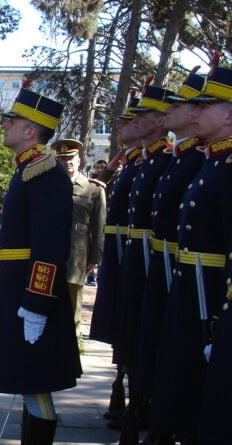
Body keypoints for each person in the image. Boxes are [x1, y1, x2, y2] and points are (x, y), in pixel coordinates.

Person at [0, 81, 80, 444]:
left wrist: (38, 302)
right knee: (27, 380)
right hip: (16, 287)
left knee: (34, 382)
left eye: (11, 120)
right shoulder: (28, 169)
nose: (4, 124)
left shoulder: (44, 172)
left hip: (28, 291)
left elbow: (51, 245)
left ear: (30, 131)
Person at [152, 63, 232, 444]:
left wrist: (217, 317)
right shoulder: (214, 161)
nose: (195, 112)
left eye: (206, 105)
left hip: (211, 296)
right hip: (192, 289)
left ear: (229, 115)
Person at [133, 68, 205, 444]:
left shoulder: (200, 159)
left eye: (176, 106)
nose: (167, 113)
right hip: (171, 270)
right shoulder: (182, 158)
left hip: (199, 282)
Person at [112, 82, 175, 440]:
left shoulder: (165, 160)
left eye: (141, 116)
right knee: (131, 334)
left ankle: (143, 406)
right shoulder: (144, 160)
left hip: (158, 264)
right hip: (137, 259)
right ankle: (132, 401)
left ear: (159, 121)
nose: (131, 123)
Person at [88, 92, 144, 422]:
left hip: (137, 260)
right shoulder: (129, 162)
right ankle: (126, 390)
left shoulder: (148, 162)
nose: (120, 126)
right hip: (122, 258)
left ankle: (138, 400)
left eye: (129, 121)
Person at [52, 139, 106, 339]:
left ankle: (73, 343)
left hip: (77, 254)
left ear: (79, 160)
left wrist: (94, 258)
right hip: (51, 251)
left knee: (73, 300)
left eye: (71, 158)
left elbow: (99, 227)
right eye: (63, 158)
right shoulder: (50, 186)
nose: (67, 162)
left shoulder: (93, 189)